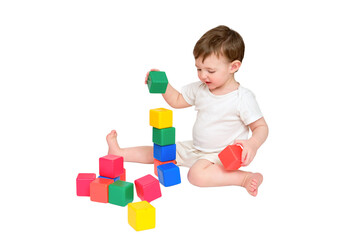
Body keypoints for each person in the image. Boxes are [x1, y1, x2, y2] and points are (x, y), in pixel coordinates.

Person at [106, 25, 269, 196]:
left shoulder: (242, 98)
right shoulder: (200, 89)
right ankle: (120, 152)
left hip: (222, 154)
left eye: (210, 71)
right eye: (199, 69)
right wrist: (163, 85)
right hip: (196, 148)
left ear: (233, 67)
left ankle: (244, 179)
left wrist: (253, 144)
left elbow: (261, 127)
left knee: (196, 175)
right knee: (161, 151)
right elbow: (177, 100)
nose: (202, 75)